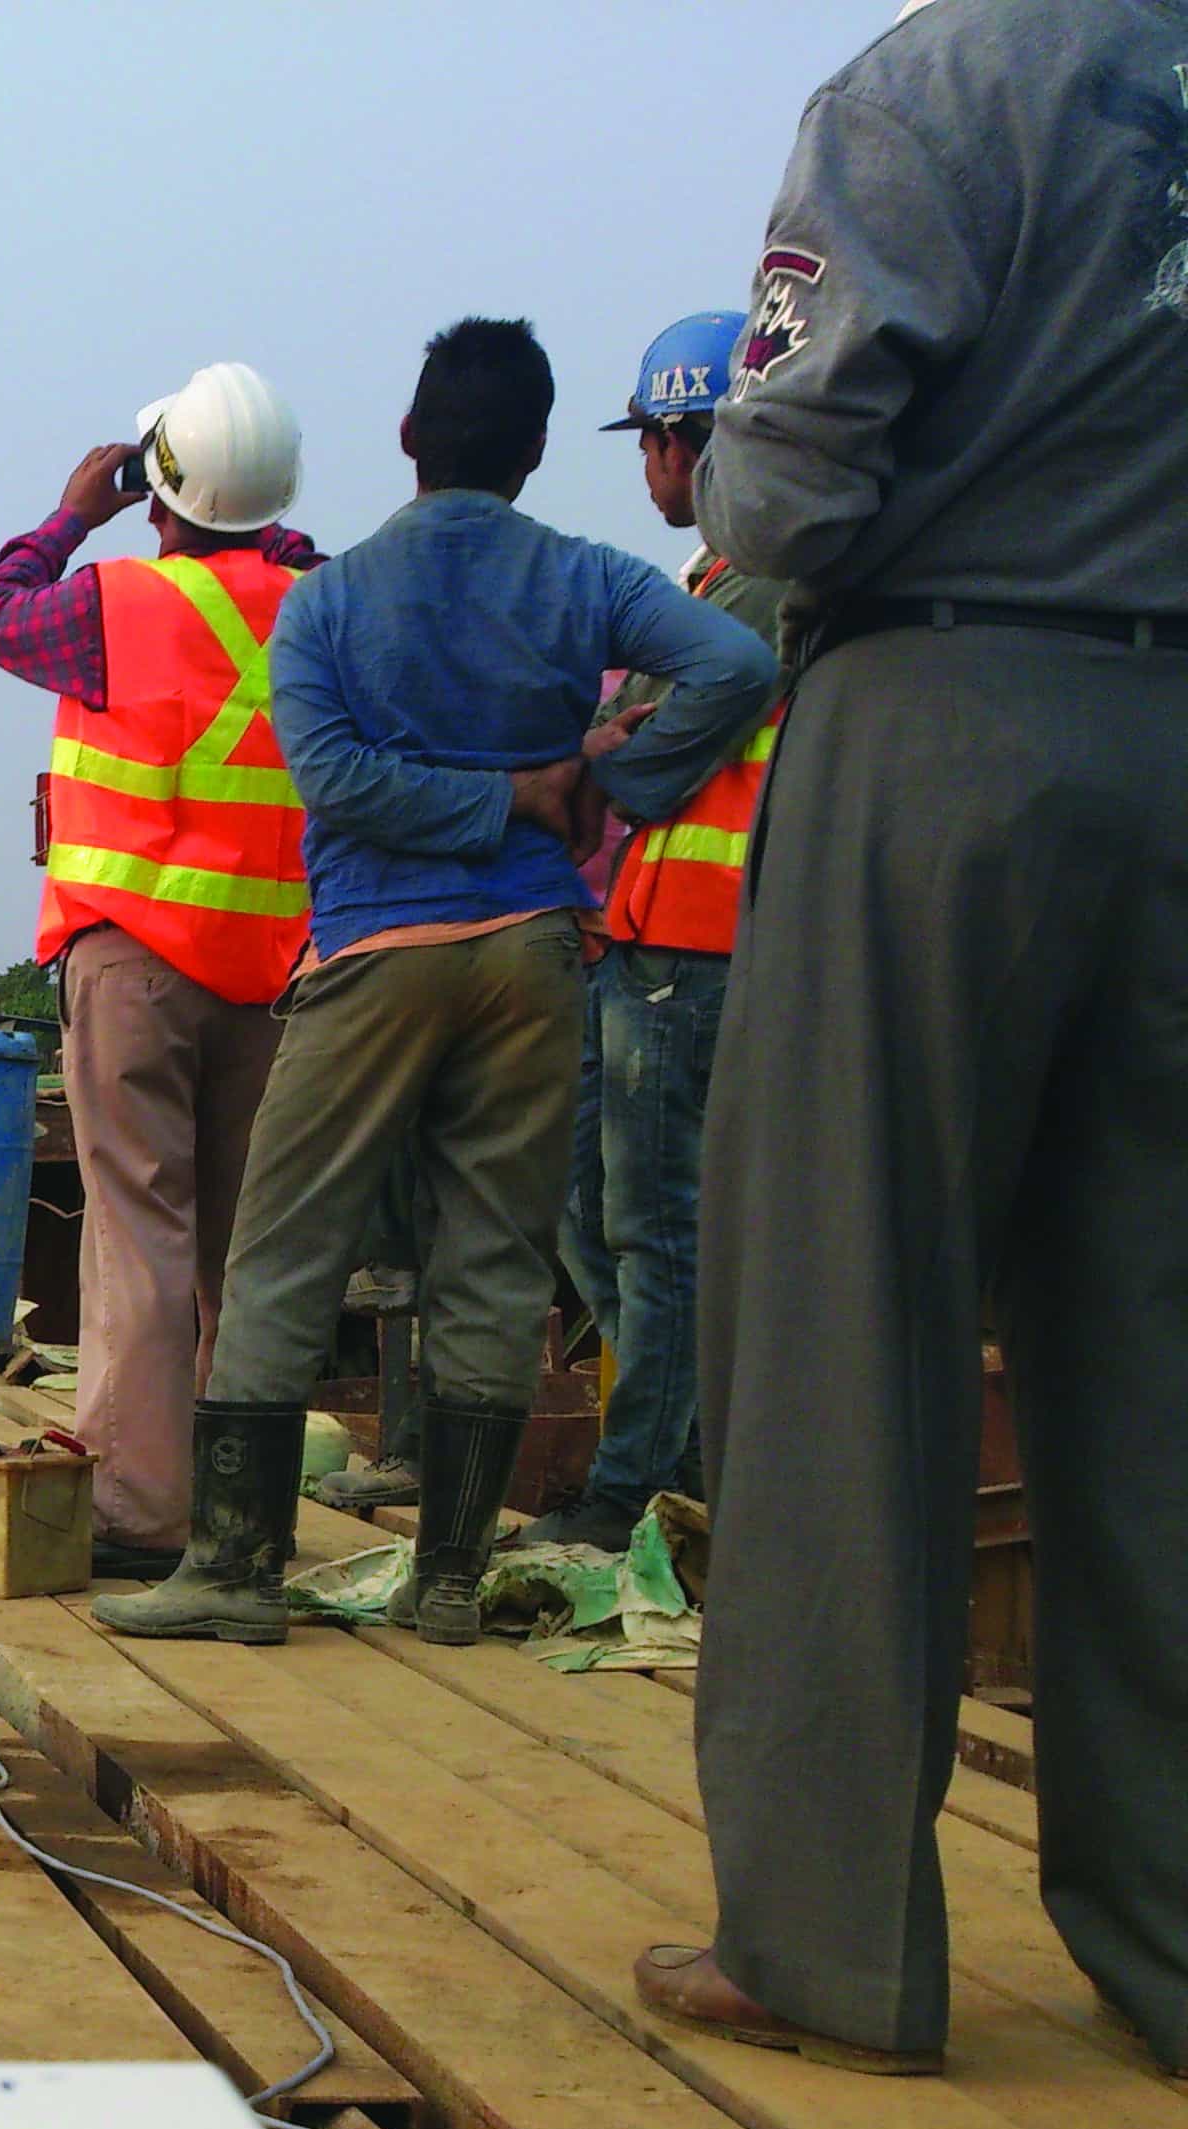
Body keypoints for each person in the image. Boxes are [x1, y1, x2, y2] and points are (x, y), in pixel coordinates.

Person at [651, 0, 1188, 2079]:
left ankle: (826, 1945)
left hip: (945, 722)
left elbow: (788, 483)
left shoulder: (938, 83)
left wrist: (748, 486)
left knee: (841, 1318)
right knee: (1153, 1354)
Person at [96, 317, 770, 1648]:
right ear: (534, 450)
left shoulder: (331, 602)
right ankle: (449, 1577)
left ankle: (234, 1568)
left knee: (282, 1249)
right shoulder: (585, 576)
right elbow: (737, 665)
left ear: (408, 437)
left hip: (375, 953)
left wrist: (499, 798)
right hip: (532, 956)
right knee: (496, 1256)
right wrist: (597, 783)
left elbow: (336, 781)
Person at [0, 363, 319, 1577]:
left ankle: (134, 1508)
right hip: (269, 974)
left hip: (130, 965)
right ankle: (237, 1513)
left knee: (139, 1237)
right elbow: (290, 558)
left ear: (155, 489)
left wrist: (72, 513)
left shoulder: (108, 606)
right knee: (240, 1251)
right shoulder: (318, 605)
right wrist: (255, 526)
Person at [522, 316, 787, 1557]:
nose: (644, 468)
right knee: (591, 1213)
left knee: (655, 1231)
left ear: (694, 440)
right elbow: (624, 716)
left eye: (649, 443)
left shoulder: (769, 583)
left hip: (699, 949)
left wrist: (610, 754)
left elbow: (636, 754)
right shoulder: (712, 582)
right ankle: (673, 1470)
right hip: (644, 941)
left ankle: (634, 1494)